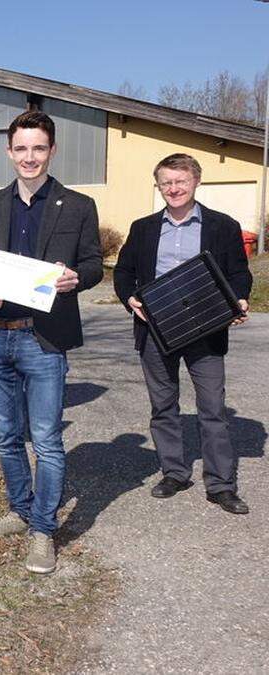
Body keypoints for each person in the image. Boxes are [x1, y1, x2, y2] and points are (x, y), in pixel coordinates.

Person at [0, 111, 102, 574]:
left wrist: (76, 279)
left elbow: (93, 264)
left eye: (38, 148)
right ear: (9, 152)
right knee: (6, 437)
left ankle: (43, 530)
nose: (29, 157)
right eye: (21, 149)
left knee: (45, 439)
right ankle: (19, 510)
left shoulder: (78, 205)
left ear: (52, 151)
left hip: (44, 340)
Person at [113, 153, 253, 514]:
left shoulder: (223, 225)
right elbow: (124, 271)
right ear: (158, 186)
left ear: (195, 182)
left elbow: (239, 272)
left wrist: (239, 298)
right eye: (166, 183)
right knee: (163, 405)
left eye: (181, 182)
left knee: (213, 408)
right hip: (155, 327)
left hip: (206, 328)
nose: (173, 189)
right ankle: (174, 472)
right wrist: (130, 299)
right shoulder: (142, 227)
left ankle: (221, 485)